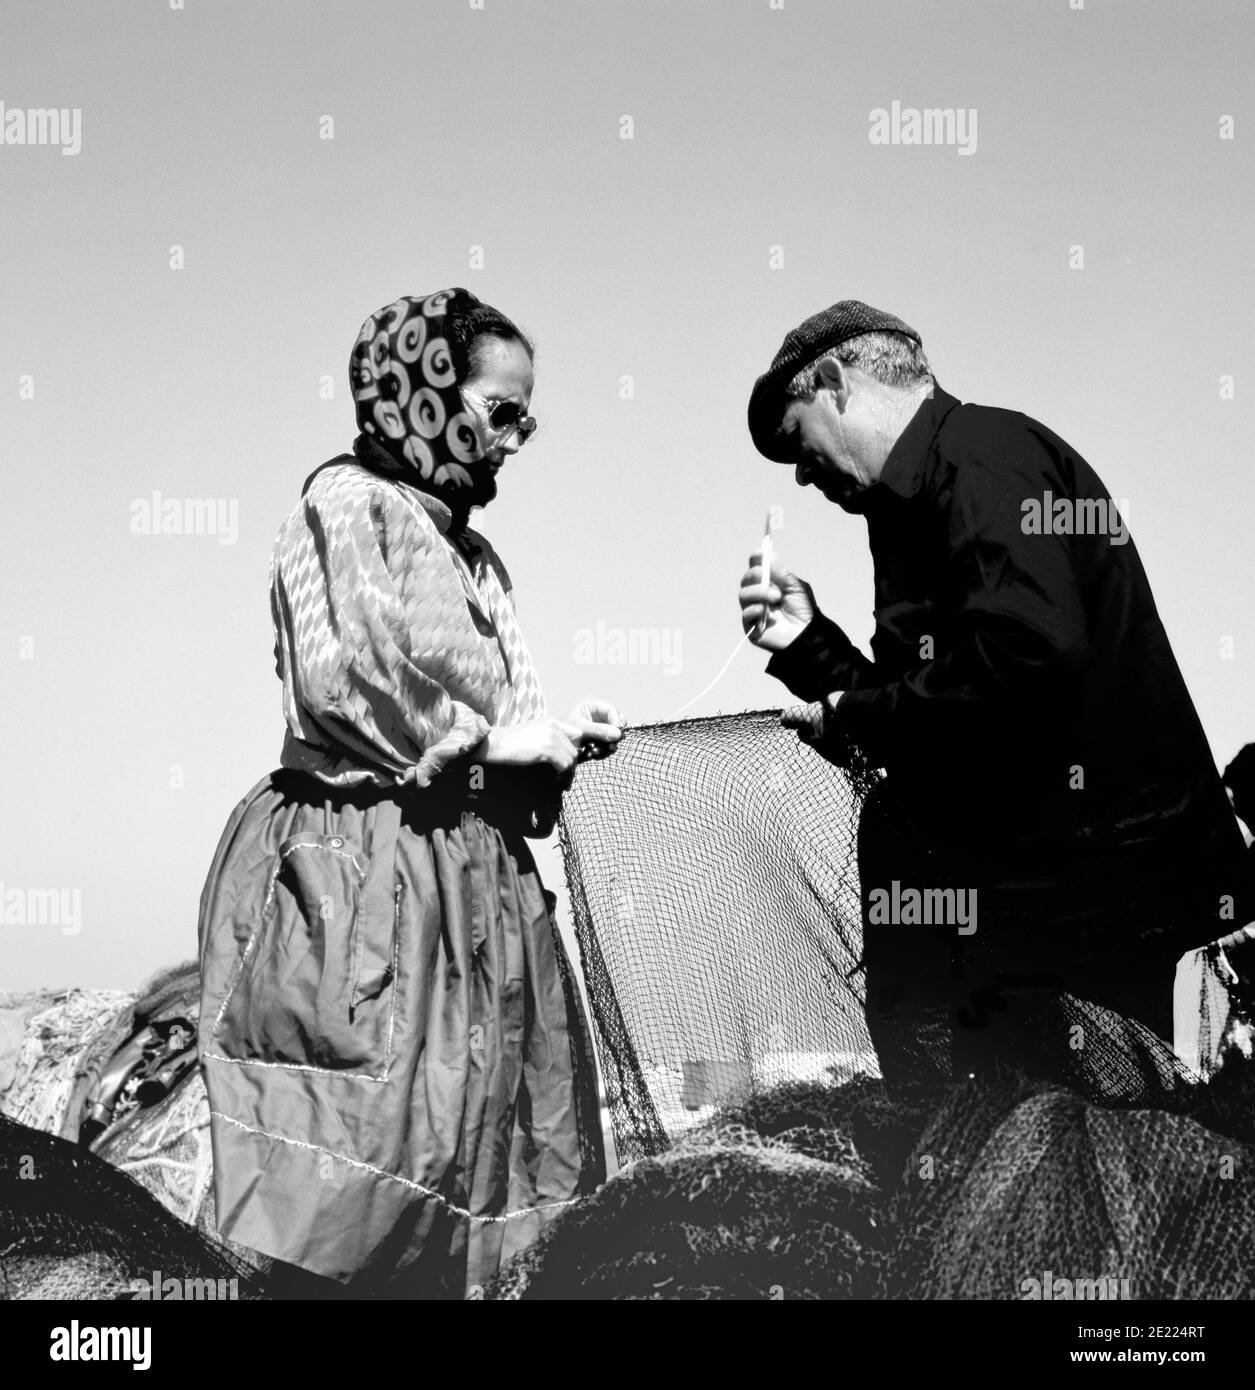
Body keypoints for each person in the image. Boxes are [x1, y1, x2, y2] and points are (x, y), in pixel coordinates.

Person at [198, 289, 619, 1296]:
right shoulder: (343, 506)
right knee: (357, 1190)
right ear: (419, 396)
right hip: (367, 878)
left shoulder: (475, 557)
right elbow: (345, 687)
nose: (519, 437)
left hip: (481, 889)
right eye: (500, 409)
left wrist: (548, 751)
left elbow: (504, 720)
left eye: (529, 415)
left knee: (498, 1163)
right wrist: (511, 746)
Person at [738, 299, 1249, 1102]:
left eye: (795, 444)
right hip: (1021, 920)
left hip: (1097, 917)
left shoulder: (986, 458)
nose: (801, 475)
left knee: (1098, 1165)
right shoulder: (905, 510)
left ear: (833, 381)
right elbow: (933, 718)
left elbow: (1028, 659)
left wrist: (854, 717)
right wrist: (811, 647)